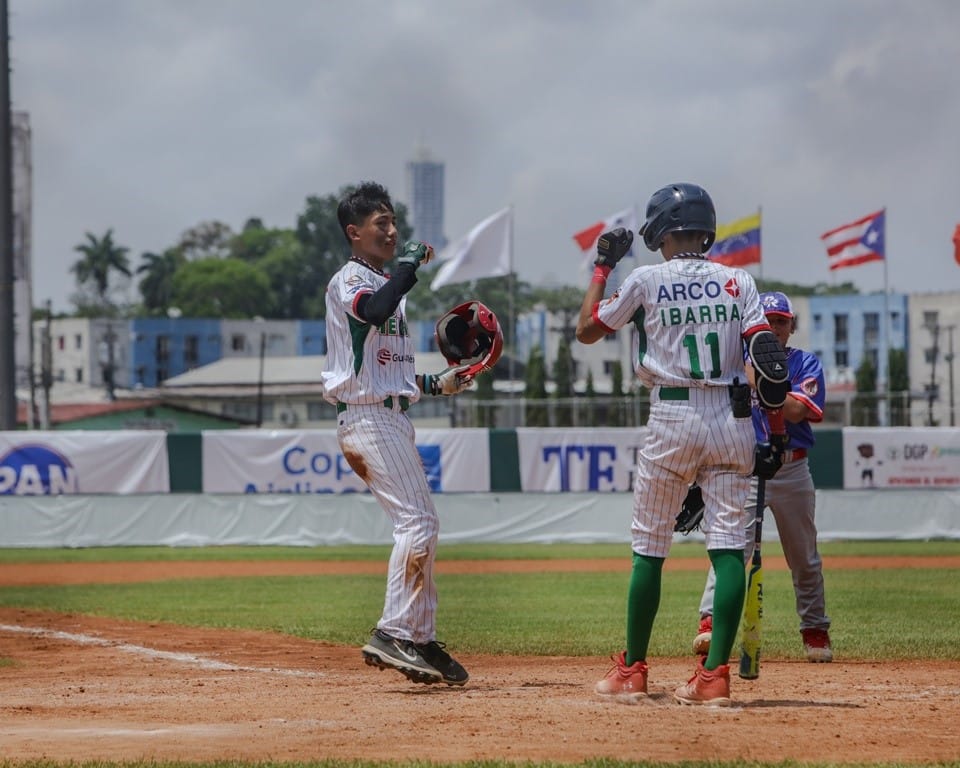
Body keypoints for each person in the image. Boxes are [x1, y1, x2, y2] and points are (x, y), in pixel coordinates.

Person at [576, 182, 789, 706]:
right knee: (728, 551)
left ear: (662, 233)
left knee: (649, 548)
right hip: (731, 415)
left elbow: (586, 329)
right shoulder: (740, 280)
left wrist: (602, 269)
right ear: (706, 230)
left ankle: (631, 671)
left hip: (671, 413)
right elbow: (767, 358)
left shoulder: (647, 278)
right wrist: (775, 427)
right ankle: (713, 678)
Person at [321, 181, 474, 686]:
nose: (391, 230)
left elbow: (388, 373)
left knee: (422, 523)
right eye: (380, 223)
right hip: (367, 418)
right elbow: (373, 310)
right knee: (417, 524)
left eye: (393, 222)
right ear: (354, 232)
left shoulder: (387, 286)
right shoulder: (349, 280)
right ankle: (393, 632)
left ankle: (420, 638)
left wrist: (438, 382)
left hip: (385, 413)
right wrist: (408, 266)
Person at [692, 291, 832, 662]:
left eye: (781, 321)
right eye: (767, 321)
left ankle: (815, 630)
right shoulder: (732, 363)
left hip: (791, 468)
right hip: (744, 467)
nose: (773, 327)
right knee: (729, 550)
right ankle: (709, 624)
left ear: (791, 326)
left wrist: (759, 379)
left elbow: (799, 411)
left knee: (803, 557)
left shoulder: (804, 363)